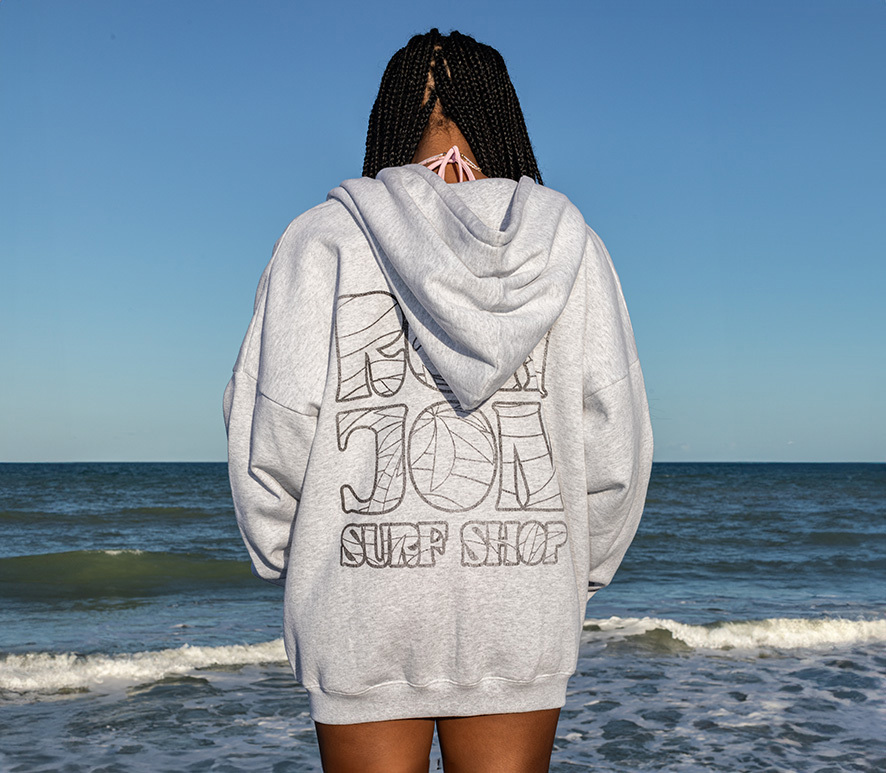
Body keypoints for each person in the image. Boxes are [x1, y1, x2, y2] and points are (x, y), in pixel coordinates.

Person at [224, 29, 653, 773]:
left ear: (392, 118)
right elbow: (614, 441)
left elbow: (274, 426)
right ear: (501, 117)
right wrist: (573, 570)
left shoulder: (323, 240)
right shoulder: (573, 248)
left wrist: (296, 561)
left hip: (358, 599)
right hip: (521, 594)